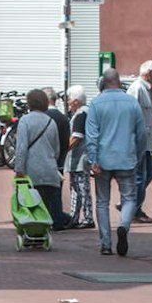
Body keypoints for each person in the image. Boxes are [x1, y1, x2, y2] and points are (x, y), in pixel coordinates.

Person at [85, 68, 148, 257]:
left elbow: (91, 135)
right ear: (119, 82)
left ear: (103, 82)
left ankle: (105, 243)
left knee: (102, 202)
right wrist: (138, 155)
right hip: (126, 158)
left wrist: (93, 159)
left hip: (103, 160)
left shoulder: (96, 104)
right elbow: (141, 133)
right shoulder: (132, 103)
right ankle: (123, 226)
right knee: (129, 198)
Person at [11, 89, 64, 231]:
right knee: (45, 207)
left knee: (29, 206)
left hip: (31, 172)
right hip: (49, 172)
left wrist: (19, 169)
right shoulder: (51, 122)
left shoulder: (25, 121)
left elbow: (21, 148)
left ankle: (31, 233)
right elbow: (56, 149)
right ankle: (42, 233)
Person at [128, 61, 152, 224]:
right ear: (148, 73)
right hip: (138, 141)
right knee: (140, 175)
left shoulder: (147, 90)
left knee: (150, 172)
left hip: (146, 142)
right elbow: (130, 114)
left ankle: (130, 202)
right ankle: (134, 209)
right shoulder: (137, 88)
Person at [40, 88, 74, 229]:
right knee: (57, 192)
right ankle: (59, 219)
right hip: (60, 160)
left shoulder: (43, 117)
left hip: (45, 160)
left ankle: (51, 219)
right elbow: (67, 141)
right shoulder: (63, 117)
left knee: (44, 193)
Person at [66, 86, 94, 229]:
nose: (68, 102)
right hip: (80, 158)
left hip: (80, 158)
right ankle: (77, 216)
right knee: (79, 188)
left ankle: (85, 217)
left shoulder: (80, 114)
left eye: (69, 99)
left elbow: (76, 137)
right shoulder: (84, 112)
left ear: (76, 101)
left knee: (81, 188)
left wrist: (63, 150)